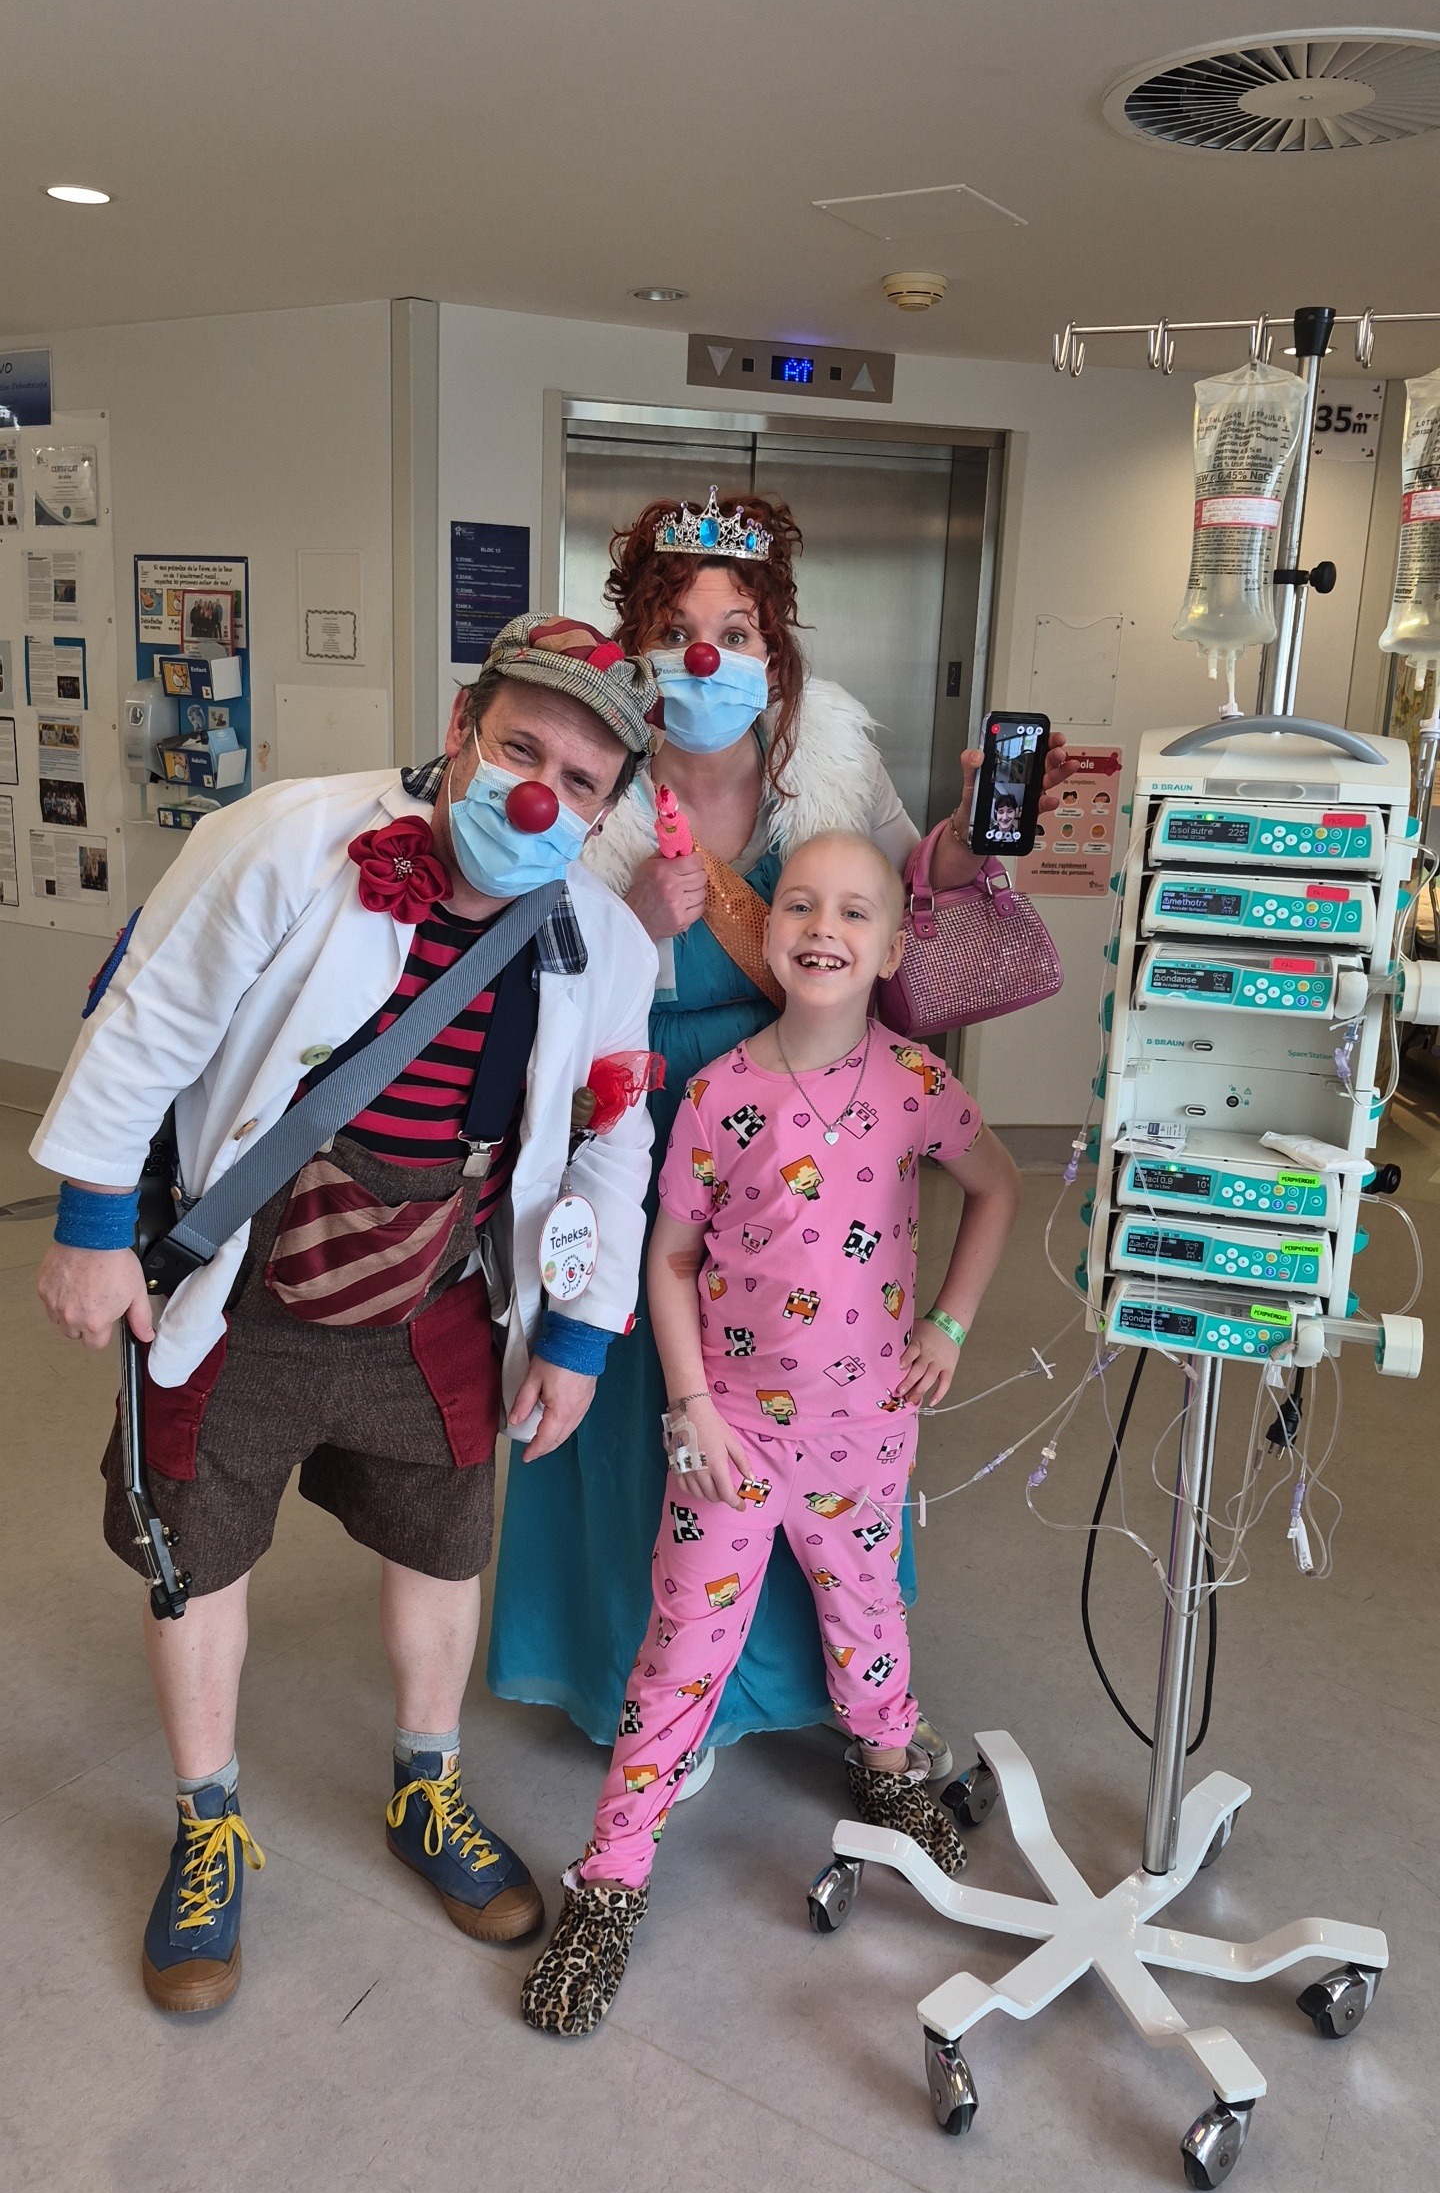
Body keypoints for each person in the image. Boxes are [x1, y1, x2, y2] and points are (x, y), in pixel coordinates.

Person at [32, 615, 660, 2013]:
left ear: (611, 808)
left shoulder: (608, 944)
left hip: (435, 1288)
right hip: (239, 1281)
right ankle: (207, 1824)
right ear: (461, 727)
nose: (540, 794)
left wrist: (576, 1331)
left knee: (444, 1541)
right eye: (521, 749)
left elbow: (611, 1149)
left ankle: (426, 1790)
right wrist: (91, 1225)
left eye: (581, 780)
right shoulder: (286, 838)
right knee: (195, 1551)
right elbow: (147, 1016)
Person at [489, 488, 1064, 1777]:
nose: (707, 656)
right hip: (639, 1122)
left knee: (812, 1402)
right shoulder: (590, 773)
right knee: (650, 1406)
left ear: (774, 644)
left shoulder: (830, 757)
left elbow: (905, 890)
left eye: (737, 630)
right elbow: (529, 961)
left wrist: (977, 824)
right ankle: (655, 1692)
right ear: (638, 644)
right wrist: (638, 920)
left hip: (808, 1132)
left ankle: (817, 1680)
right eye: (676, 628)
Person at [520, 832, 1022, 2034]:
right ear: (768, 929)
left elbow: (998, 1185)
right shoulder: (720, 1094)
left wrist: (950, 1321)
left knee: (869, 1614)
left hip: (867, 1430)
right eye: (800, 904)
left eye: (854, 911)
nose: (823, 927)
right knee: (681, 1652)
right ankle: (610, 1879)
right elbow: (670, 1257)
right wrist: (691, 1404)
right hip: (732, 1436)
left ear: (891, 948)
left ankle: (889, 1772)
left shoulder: (917, 1085)